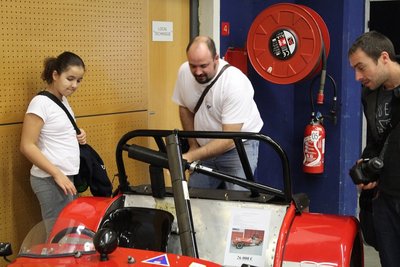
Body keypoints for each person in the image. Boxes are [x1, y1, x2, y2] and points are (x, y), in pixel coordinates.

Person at [172, 36, 264, 190]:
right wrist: (193, 145)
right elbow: (184, 107)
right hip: (204, 149)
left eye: (203, 65)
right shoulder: (184, 72)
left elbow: (229, 138)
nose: (198, 71)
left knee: (237, 202)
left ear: (216, 58)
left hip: (237, 148)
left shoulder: (234, 83)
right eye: (193, 66)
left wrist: (191, 156)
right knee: (194, 199)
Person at [348, 31, 400, 267]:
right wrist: (367, 164)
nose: (358, 76)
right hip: (384, 197)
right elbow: (376, 139)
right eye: (354, 70)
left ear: (384, 58)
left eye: (362, 67)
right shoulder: (370, 93)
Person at [20, 51, 87, 234]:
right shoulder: (40, 103)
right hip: (50, 179)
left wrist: (78, 135)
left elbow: (56, 133)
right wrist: (57, 174)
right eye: (70, 78)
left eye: (79, 81)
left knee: (67, 235)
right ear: (55, 75)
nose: (74, 85)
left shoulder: (63, 100)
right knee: (58, 237)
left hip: (65, 178)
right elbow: (27, 145)